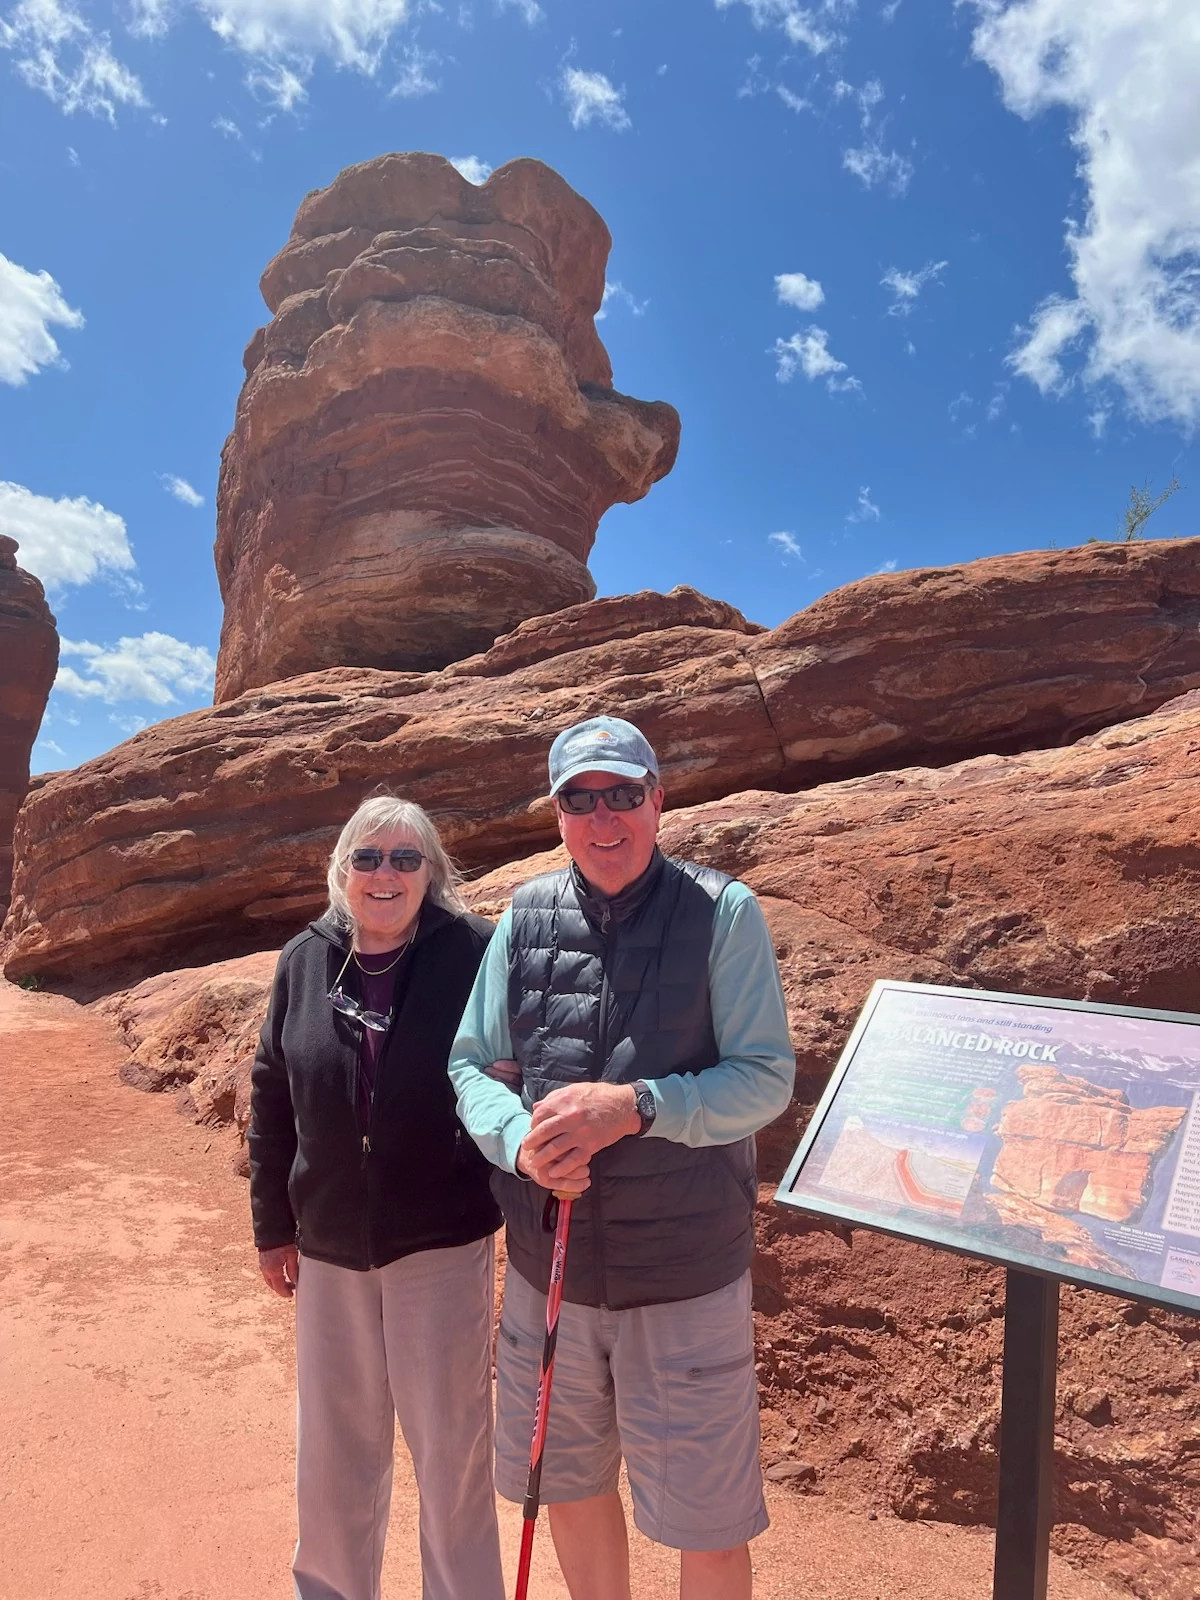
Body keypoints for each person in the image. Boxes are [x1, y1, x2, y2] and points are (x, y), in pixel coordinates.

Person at [450, 717, 796, 1600]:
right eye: (581, 800)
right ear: (558, 812)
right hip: (547, 1264)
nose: (605, 819)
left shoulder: (723, 912)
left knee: (705, 1520)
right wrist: (519, 1145)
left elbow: (764, 1080)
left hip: (681, 1271)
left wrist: (638, 1108)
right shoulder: (524, 917)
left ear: (659, 799)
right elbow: (470, 1061)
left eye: (623, 796)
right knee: (567, 1483)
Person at [249, 795, 506, 1600]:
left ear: (431, 872)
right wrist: (272, 1223)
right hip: (326, 1244)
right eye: (368, 857)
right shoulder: (304, 959)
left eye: (405, 858)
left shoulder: (475, 951)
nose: (385, 873)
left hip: (439, 1238)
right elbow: (271, 1091)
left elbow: (515, 1067)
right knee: (332, 1447)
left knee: (451, 1450)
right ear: (342, 870)